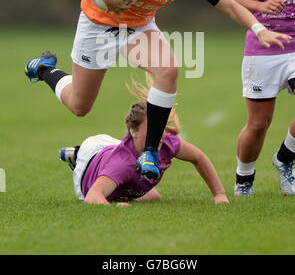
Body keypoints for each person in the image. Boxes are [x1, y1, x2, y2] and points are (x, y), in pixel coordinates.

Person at [25, 0, 290, 182]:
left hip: (137, 26)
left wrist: (258, 29)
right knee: (80, 106)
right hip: (98, 26)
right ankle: (44, 68)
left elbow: (228, 5)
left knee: (168, 69)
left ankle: (150, 151)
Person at [226, 0, 295, 196]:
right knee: (258, 125)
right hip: (264, 49)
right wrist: (260, 5)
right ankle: (244, 177)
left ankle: (285, 160)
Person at [59, 76, 230, 206]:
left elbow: (198, 157)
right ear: (133, 131)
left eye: (160, 127)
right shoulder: (122, 164)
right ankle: (77, 154)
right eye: (152, 129)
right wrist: (113, 207)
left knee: (153, 197)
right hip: (90, 159)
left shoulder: (165, 141)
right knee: (119, 177)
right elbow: (92, 197)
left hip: (114, 148)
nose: (159, 134)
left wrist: (219, 194)